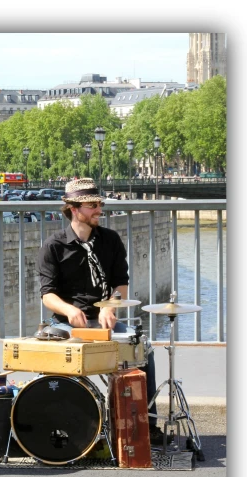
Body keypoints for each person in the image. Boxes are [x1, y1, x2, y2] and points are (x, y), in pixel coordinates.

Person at [37, 178, 167, 445]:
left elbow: (121, 283)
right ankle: (62, 426)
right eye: (92, 205)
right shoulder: (53, 246)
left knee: (143, 348)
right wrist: (69, 309)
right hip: (67, 325)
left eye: (99, 204)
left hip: (104, 323)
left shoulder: (110, 239)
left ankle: (148, 423)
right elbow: (47, 295)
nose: (99, 209)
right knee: (54, 353)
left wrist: (111, 304)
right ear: (74, 208)